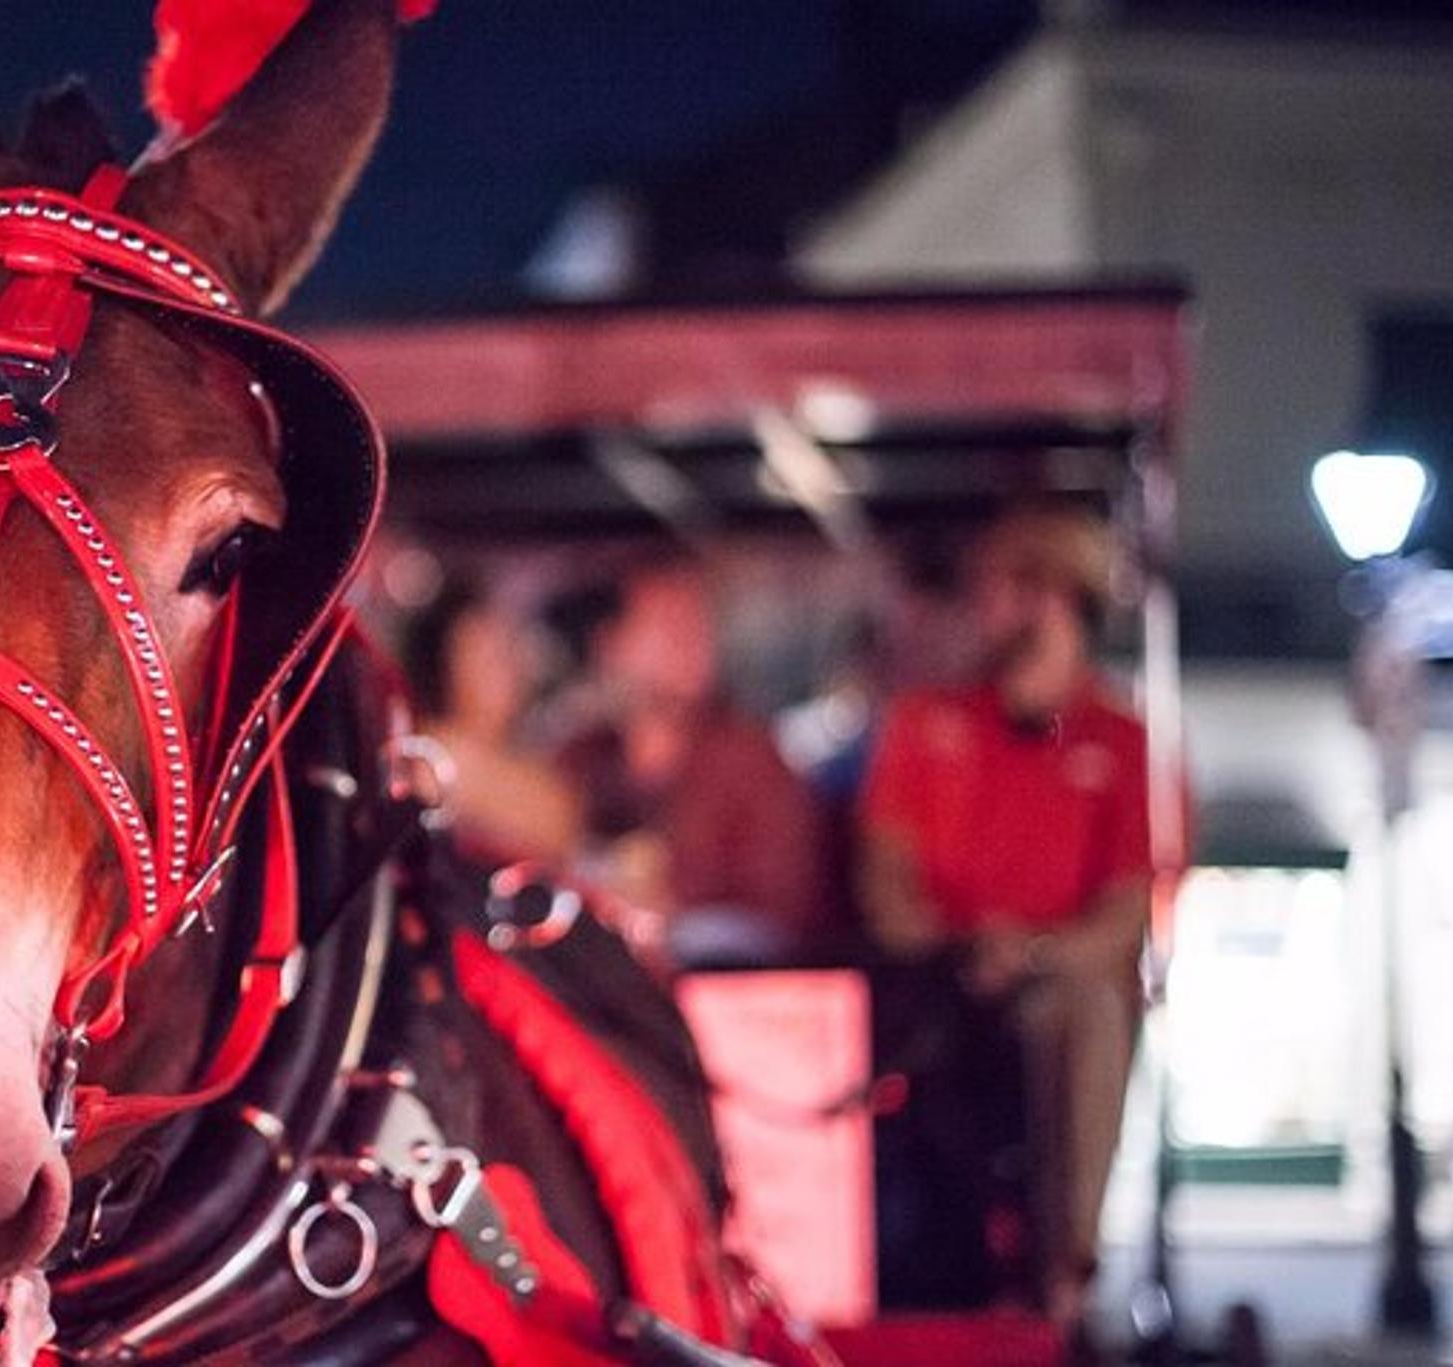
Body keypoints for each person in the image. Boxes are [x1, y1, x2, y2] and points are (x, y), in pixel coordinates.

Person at [857, 507, 1152, 1327]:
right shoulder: (929, 723)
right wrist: (957, 946)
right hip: (940, 982)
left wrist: (1034, 952)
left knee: (1086, 1015)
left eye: (1026, 594)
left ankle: (1063, 1275)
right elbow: (887, 878)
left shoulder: (1124, 743)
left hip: (1054, 985)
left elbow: (1126, 914)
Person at [559, 559, 826, 959]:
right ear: (611, 646)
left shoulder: (750, 757)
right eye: (668, 624)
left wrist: (671, 909)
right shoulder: (579, 758)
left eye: (699, 625)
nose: (691, 642)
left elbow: (784, 908)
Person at [403, 579, 584, 866]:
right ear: (445, 668)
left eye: (509, 649)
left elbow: (560, 824)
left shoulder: (536, 772)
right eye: (487, 655)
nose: (508, 667)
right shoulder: (430, 754)